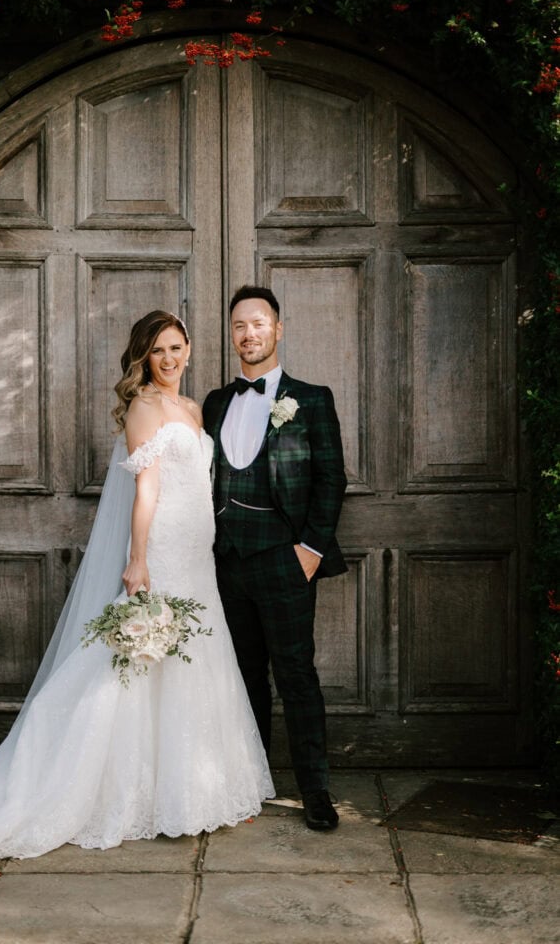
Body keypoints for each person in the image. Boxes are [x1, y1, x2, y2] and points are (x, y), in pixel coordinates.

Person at [0, 310, 273, 892]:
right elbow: (147, 490)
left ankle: (201, 791)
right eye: (158, 350)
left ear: (190, 348)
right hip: (162, 551)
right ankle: (89, 780)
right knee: (135, 667)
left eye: (176, 347)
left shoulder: (193, 409)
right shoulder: (144, 408)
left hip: (198, 556)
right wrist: (138, 560)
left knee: (197, 663)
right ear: (144, 356)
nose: (169, 359)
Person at [203, 286, 347, 832]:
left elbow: (331, 479)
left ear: (277, 330)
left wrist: (309, 551)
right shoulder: (217, 402)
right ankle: (252, 783)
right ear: (232, 334)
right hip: (227, 563)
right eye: (239, 325)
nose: (249, 334)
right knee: (242, 678)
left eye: (258, 323)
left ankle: (316, 791)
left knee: (296, 676)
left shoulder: (310, 400)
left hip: (286, 563)